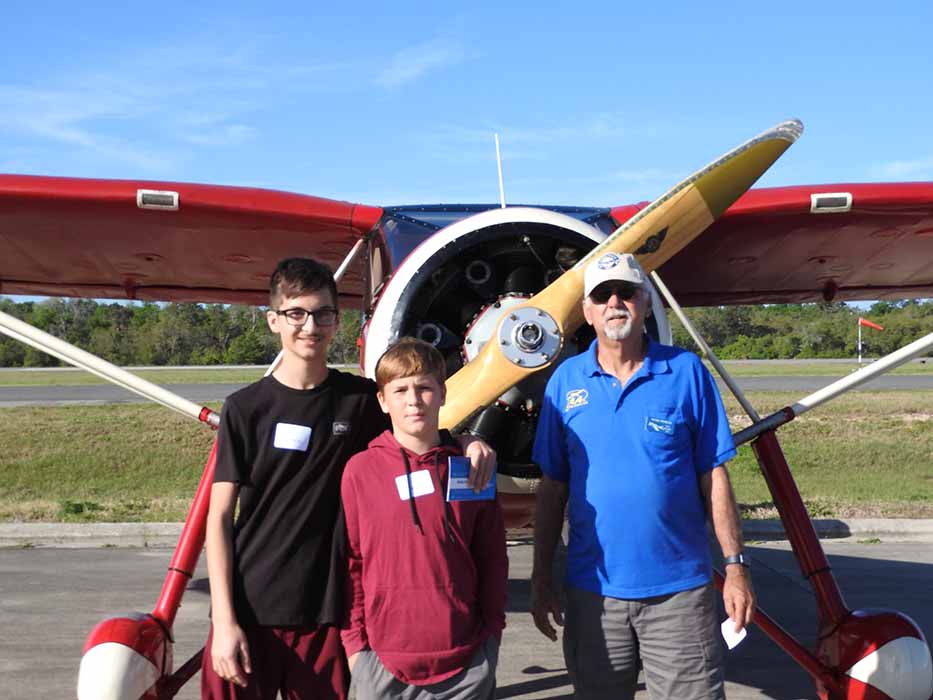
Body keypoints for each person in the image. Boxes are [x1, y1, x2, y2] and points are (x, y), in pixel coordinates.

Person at [202, 258, 495, 700]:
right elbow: (219, 518)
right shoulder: (245, 409)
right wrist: (224, 621)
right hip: (250, 607)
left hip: (324, 614)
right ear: (273, 320)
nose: (310, 326)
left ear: (337, 321)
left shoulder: (358, 402)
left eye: (322, 313)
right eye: (296, 313)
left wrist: (469, 440)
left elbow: (417, 426)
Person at [530, 252, 754, 700]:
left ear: (646, 302)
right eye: (602, 295)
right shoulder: (564, 382)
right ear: (587, 312)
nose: (615, 302)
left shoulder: (687, 372)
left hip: (679, 595)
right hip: (593, 593)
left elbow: (714, 475)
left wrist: (735, 567)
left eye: (626, 292)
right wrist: (540, 577)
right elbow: (552, 488)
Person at [341, 338, 508, 700]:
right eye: (400, 390)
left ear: (443, 393)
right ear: (382, 401)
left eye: (424, 388)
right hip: (381, 664)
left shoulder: (471, 469)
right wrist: (356, 649)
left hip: (465, 664)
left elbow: (492, 558)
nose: (413, 400)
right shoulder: (359, 471)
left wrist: (491, 638)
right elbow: (351, 564)